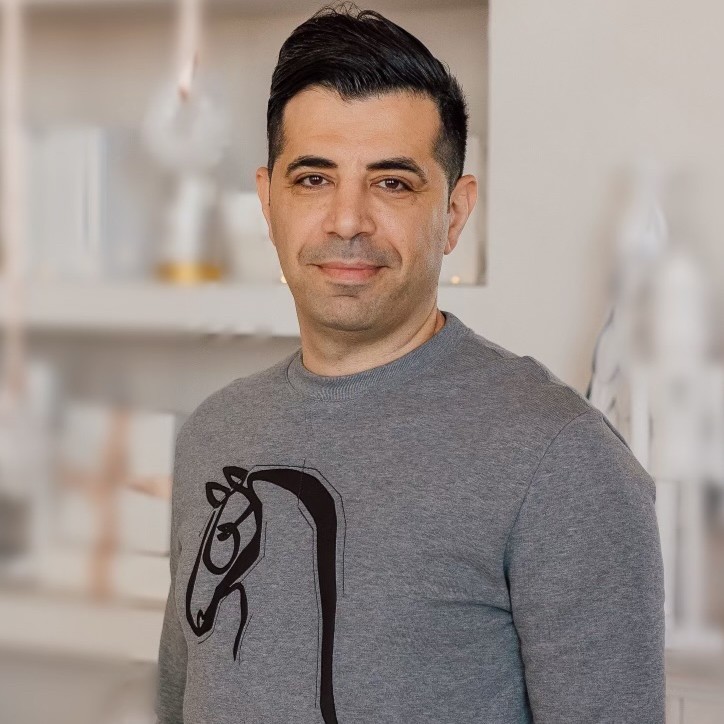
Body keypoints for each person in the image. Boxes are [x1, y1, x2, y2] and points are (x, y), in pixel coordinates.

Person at [154, 4, 665, 723]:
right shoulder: (214, 433)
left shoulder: (562, 462)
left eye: (392, 182)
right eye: (313, 179)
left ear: (454, 213)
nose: (348, 220)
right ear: (267, 202)